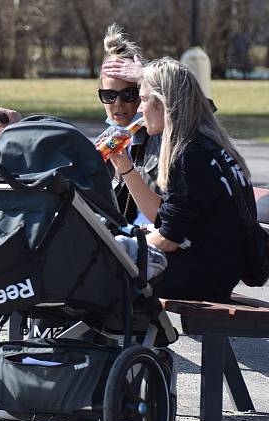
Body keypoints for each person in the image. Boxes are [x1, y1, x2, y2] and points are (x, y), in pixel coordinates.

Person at [122, 57, 255, 301]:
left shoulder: (189, 155)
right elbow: (164, 219)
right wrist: (123, 165)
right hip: (217, 268)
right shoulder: (204, 144)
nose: (139, 110)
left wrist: (117, 248)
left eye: (142, 99)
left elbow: (168, 239)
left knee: (101, 274)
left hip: (203, 275)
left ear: (163, 103)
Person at [97, 24, 161, 225]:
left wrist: (147, 77)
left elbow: (192, 107)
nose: (118, 104)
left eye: (128, 94)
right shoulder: (108, 138)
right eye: (109, 95)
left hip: (157, 242)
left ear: (143, 94)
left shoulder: (165, 134)